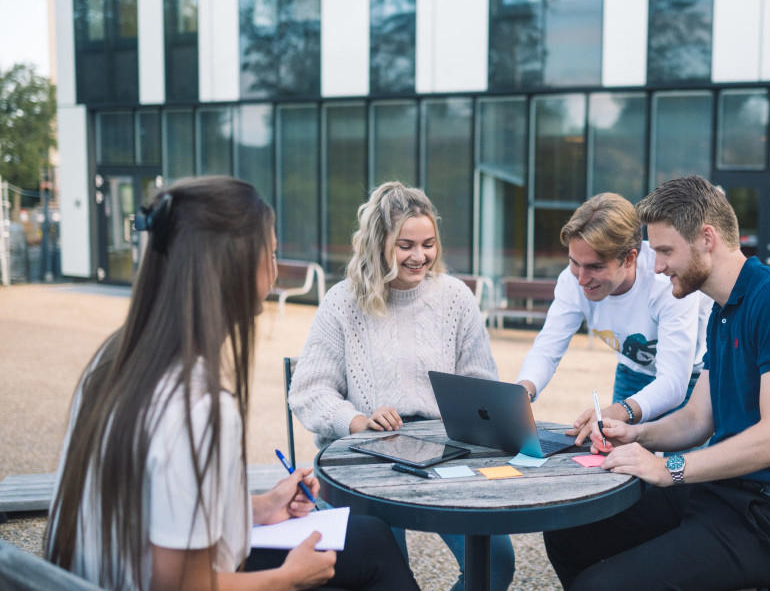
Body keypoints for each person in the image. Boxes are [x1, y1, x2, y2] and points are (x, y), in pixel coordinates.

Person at [45, 177, 418, 590]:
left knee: (370, 537)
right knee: (365, 558)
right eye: (271, 254)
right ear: (235, 267)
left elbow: (158, 507)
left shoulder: (116, 358)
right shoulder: (198, 407)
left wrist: (259, 507)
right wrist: (288, 578)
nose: (275, 272)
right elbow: (182, 587)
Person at [543, 176, 770, 590]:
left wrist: (670, 468)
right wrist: (635, 432)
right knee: (568, 532)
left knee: (602, 586)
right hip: (720, 493)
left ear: (706, 238)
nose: (657, 265)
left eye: (665, 251)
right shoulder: (723, 312)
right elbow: (697, 419)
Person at [289, 181, 515, 591]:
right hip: (366, 457)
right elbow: (308, 391)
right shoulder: (343, 302)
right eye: (405, 245)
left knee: (496, 563)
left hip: (445, 450)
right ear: (379, 243)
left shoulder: (455, 298)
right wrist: (358, 420)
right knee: (389, 574)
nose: (420, 256)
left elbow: (482, 384)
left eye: (428, 243)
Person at [514, 192, 711, 443]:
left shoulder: (667, 281)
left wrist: (620, 411)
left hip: (691, 379)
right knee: (619, 462)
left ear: (629, 258)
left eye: (595, 267)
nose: (582, 279)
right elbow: (548, 347)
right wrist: (524, 391)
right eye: (574, 262)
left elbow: (673, 383)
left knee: (684, 473)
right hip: (633, 369)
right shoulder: (572, 279)